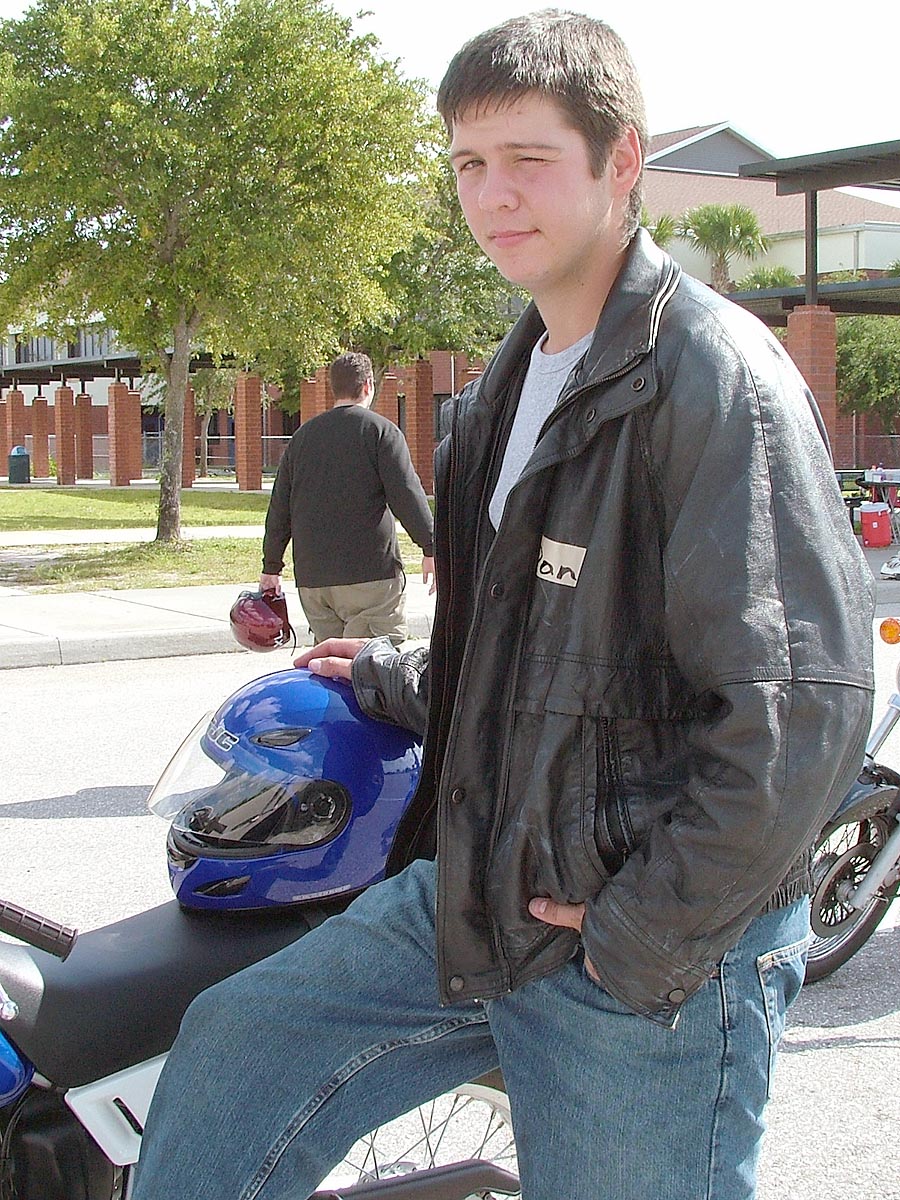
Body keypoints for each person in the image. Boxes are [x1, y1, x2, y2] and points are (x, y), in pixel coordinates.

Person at [134, 12, 875, 1199]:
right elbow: (526, 651)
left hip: (645, 949)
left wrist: (639, 934)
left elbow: (803, 713)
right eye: (469, 163)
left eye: (528, 159)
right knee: (236, 1048)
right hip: (485, 892)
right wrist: (391, 675)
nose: (493, 195)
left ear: (621, 160)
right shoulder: (497, 393)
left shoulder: (714, 379)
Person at [259, 350, 435, 646]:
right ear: (368, 385)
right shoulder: (380, 432)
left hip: (314, 581)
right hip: (370, 576)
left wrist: (271, 566)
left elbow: (280, 508)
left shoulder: (302, 438)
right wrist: (431, 547)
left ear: (333, 388)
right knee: (373, 663)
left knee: (329, 663)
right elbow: (405, 494)